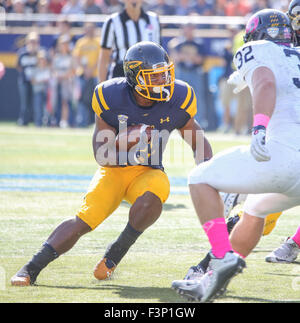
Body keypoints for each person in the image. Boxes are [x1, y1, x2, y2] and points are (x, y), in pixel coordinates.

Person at [11, 41, 212, 286]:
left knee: (153, 199)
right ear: (135, 77)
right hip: (114, 170)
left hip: (149, 171)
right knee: (85, 220)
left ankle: (114, 255)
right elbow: (101, 154)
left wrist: (209, 175)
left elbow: (198, 141)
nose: (163, 81)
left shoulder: (178, 97)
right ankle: (30, 269)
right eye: (155, 76)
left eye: (165, 73)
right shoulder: (110, 96)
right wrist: (124, 141)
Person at [171, 9, 300, 303]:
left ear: (254, 35)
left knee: (199, 177)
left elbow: (266, 82)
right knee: (254, 210)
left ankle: (221, 255)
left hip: (282, 154)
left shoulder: (255, 49)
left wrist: (259, 129)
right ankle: (210, 280)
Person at [98, 0, 161, 82]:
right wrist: (101, 86)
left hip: (148, 72)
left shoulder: (153, 19)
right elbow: (104, 57)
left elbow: (158, 52)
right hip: (121, 73)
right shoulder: (112, 21)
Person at [168, 23, 208, 128]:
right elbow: (176, 57)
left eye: (190, 29)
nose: (188, 31)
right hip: (182, 71)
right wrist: (190, 57)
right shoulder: (177, 43)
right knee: (179, 97)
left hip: (195, 72)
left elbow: (200, 59)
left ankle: (199, 122)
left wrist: (186, 57)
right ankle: (178, 122)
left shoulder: (198, 44)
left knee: (197, 97)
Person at [72, 22, 101, 127]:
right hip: (82, 75)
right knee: (81, 99)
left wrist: (91, 69)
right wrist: (84, 70)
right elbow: (76, 57)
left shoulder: (99, 42)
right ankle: (82, 121)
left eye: (91, 29)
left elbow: (101, 58)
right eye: (87, 29)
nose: (89, 31)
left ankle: (96, 123)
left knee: (98, 100)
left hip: (96, 74)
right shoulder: (81, 42)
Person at [17, 31, 40, 126]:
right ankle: (23, 121)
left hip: (37, 81)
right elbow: (18, 66)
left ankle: (37, 121)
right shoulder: (22, 53)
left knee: (36, 102)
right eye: (31, 41)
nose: (32, 43)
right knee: (24, 102)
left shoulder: (40, 53)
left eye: (34, 41)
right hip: (24, 81)